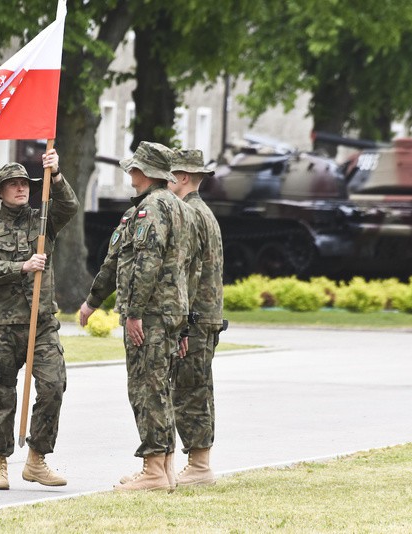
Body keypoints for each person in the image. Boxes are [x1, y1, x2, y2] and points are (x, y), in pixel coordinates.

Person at [79, 141, 194, 491]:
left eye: (133, 169)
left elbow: (145, 263)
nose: (129, 175)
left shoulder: (150, 209)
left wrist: (133, 312)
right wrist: (185, 322)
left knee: (146, 389)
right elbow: (186, 268)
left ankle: (154, 471)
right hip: (171, 312)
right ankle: (165, 468)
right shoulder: (179, 207)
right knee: (160, 388)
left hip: (153, 314)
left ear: (143, 173)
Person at [0, 148, 78, 490]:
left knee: (53, 386)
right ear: (0, 192)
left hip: (42, 323)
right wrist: (22, 266)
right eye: (13, 185)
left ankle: (36, 459)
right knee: (2, 395)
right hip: (4, 326)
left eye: (25, 184)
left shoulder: (42, 222)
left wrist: (56, 175)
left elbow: (69, 207)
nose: (21, 189)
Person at [167, 148, 224, 486]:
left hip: (196, 318)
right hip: (205, 315)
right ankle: (198, 462)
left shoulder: (189, 214)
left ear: (183, 178)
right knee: (197, 386)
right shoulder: (203, 211)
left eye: (170, 175)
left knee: (190, 389)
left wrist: (183, 323)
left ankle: (200, 465)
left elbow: (188, 271)